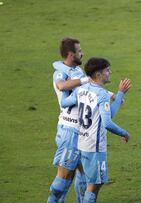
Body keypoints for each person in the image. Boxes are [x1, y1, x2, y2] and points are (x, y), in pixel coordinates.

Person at [61, 57, 131, 203]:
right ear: (98, 74)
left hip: (82, 143)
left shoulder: (80, 90)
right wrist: (124, 132)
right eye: (107, 70)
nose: (110, 72)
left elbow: (64, 102)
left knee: (87, 180)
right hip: (95, 147)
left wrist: (119, 95)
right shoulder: (102, 94)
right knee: (94, 185)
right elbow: (107, 122)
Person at [48, 37, 88, 203]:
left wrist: (112, 95)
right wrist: (87, 79)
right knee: (64, 179)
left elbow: (87, 90)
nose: (82, 53)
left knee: (85, 175)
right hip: (69, 131)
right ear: (71, 54)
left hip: (82, 131)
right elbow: (62, 86)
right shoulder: (60, 72)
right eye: (79, 51)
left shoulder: (78, 72)